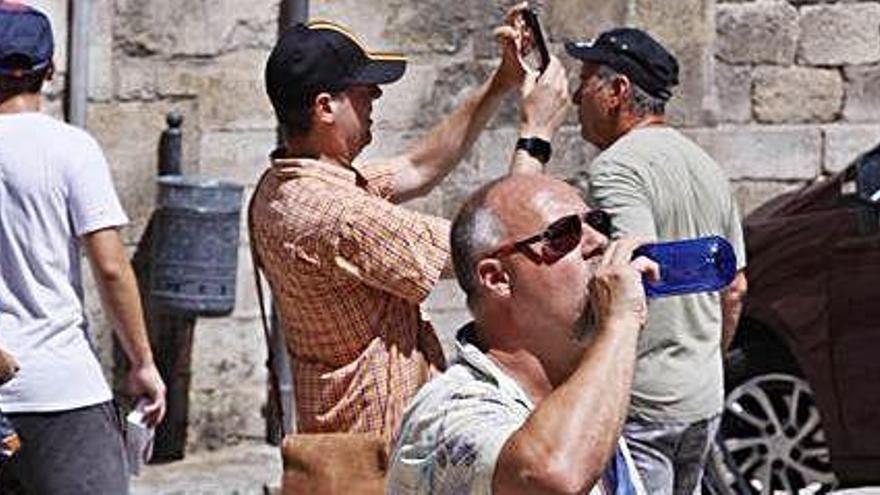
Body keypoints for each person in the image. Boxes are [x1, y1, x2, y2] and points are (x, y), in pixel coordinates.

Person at [249, 9, 570, 449]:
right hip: (380, 455)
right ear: (325, 107)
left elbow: (418, 166)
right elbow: (491, 246)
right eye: (363, 91)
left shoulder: (284, 185)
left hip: (350, 444)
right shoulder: (336, 214)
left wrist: (501, 83)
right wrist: (536, 133)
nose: (376, 95)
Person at [387, 174, 656, 494]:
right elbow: (553, 476)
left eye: (596, 222)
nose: (598, 241)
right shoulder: (446, 413)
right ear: (497, 278)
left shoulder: (584, 393)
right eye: (563, 234)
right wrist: (621, 320)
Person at [564, 27, 748, 493]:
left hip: (643, 402)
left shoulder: (617, 166)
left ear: (617, 90)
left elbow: (632, 268)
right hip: (703, 397)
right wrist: (706, 364)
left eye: (584, 80)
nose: (571, 97)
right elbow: (736, 289)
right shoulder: (706, 164)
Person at [0, 3, 166, 493]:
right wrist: (142, 363)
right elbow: (111, 268)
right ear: (49, 71)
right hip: (60, 386)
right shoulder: (72, 148)